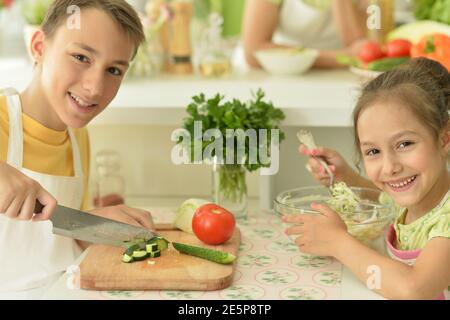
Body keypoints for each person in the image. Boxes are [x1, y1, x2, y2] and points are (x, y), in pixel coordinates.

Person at [0, 0, 155, 299]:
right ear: (39, 46)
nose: (95, 87)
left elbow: (48, 245)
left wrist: (93, 225)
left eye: (113, 70)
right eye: (81, 57)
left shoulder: (77, 138)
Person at [288, 58, 450, 299]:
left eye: (405, 144)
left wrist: (337, 242)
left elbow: (413, 289)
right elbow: (387, 199)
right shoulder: (416, 200)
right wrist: (346, 177)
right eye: (373, 151)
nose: (390, 167)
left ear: (445, 139)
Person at [242, 0, 369, 68]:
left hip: (342, 78)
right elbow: (253, 51)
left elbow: (360, 47)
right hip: (283, 72)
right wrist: (338, 58)